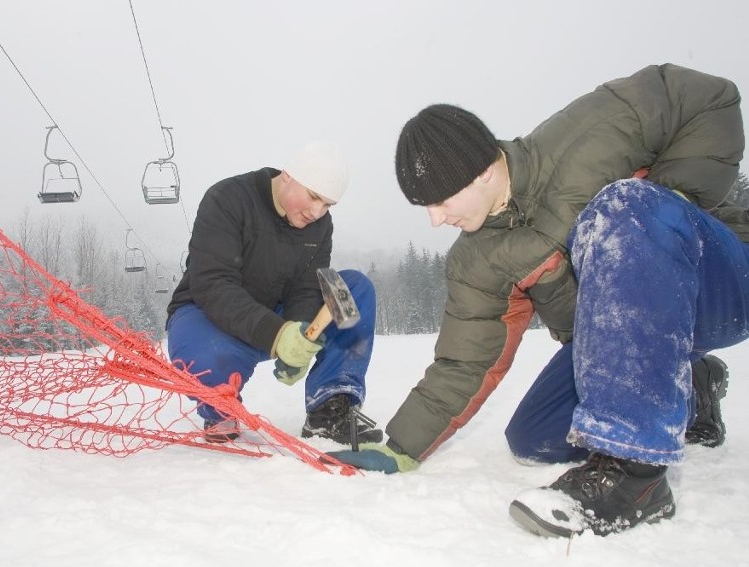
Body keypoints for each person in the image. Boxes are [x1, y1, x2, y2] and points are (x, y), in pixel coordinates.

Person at [329, 64, 748, 537]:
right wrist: (399, 446)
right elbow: (464, 363)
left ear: (484, 171)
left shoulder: (589, 131)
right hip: (618, 340)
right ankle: (692, 384)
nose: (434, 219)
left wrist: (673, 198)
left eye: (441, 201)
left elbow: (712, 96)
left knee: (625, 208)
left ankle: (637, 477)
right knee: (534, 438)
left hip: (717, 280)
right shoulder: (477, 260)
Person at [166, 141, 382, 445]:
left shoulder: (320, 226)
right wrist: (277, 336)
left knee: (354, 287)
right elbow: (213, 284)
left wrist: (300, 332)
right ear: (288, 176)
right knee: (203, 362)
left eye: (328, 205)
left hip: (276, 319)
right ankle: (220, 408)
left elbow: (308, 287)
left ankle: (329, 408)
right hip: (209, 317)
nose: (317, 212)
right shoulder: (228, 199)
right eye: (314, 196)